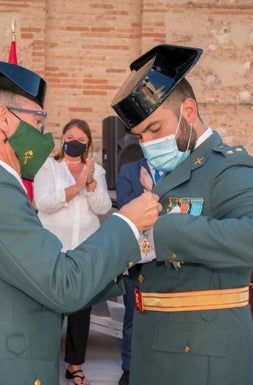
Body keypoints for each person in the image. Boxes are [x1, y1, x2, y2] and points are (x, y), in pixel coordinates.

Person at [0, 57, 160, 385]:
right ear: (4, 120)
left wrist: (120, 263)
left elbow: (31, 277)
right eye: (38, 120)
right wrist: (126, 223)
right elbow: (60, 284)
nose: (43, 133)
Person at [109, 44, 253, 385]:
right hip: (159, 350)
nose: (149, 144)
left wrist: (165, 233)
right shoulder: (178, 170)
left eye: (155, 129)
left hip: (200, 361)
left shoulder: (229, 168)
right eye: (140, 136)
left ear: (189, 111)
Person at [33, 118, 112, 385]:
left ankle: (75, 365)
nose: (74, 141)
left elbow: (103, 208)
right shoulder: (49, 167)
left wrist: (90, 184)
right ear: (63, 139)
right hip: (52, 251)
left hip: (83, 251)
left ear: (87, 142)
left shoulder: (97, 171)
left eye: (80, 138)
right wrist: (76, 186)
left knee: (81, 312)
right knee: (49, 310)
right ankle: (42, 363)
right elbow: (43, 203)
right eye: (69, 136)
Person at [115, 157, 154, 385]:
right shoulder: (129, 170)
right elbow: (126, 206)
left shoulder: (180, 168)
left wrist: (153, 191)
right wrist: (151, 195)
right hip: (137, 258)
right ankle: (129, 367)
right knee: (133, 315)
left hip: (170, 258)